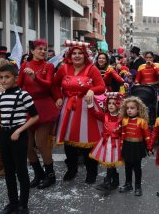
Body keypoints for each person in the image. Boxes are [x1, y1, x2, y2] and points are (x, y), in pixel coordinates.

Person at [54, 40, 106, 184]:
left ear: (85, 56)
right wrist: (58, 97)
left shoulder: (92, 69)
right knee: (69, 141)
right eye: (74, 53)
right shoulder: (63, 69)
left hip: (86, 107)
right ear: (70, 55)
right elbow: (54, 85)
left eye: (79, 54)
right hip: (68, 107)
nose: (76, 56)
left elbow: (101, 86)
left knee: (88, 141)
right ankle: (71, 169)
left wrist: (91, 89)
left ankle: (92, 172)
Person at [18, 39, 60, 189]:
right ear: (32, 51)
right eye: (39, 49)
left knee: (42, 143)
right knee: (27, 146)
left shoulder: (48, 66)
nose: (43, 51)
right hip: (27, 108)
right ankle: (39, 173)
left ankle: (50, 175)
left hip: (44, 108)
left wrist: (36, 77)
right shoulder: (25, 65)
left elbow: (50, 84)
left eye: (45, 49)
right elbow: (19, 85)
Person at [0, 64, 39, 214]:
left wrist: (19, 130)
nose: (3, 80)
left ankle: (23, 204)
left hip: (19, 134)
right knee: (8, 171)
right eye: (1, 77)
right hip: (5, 134)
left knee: (21, 170)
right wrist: (1, 140)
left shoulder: (23, 95)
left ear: (15, 77)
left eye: (7, 77)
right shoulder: (0, 96)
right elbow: (3, 118)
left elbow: (35, 116)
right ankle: (13, 202)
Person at [89, 92, 124, 191]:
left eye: (114, 103)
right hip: (105, 142)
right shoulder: (104, 116)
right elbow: (94, 113)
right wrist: (90, 104)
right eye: (109, 103)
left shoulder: (121, 118)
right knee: (109, 162)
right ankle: (114, 180)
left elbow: (124, 131)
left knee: (110, 162)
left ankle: (108, 181)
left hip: (115, 144)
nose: (111, 105)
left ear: (118, 104)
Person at [118, 96, 150, 196]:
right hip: (127, 145)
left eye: (132, 108)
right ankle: (128, 184)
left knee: (137, 167)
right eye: (127, 108)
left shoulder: (142, 122)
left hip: (137, 146)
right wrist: (121, 145)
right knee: (127, 166)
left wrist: (149, 148)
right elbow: (122, 134)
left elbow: (147, 136)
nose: (129, 110)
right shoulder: (124, 120)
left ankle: (137, 186)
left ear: (138, 109)